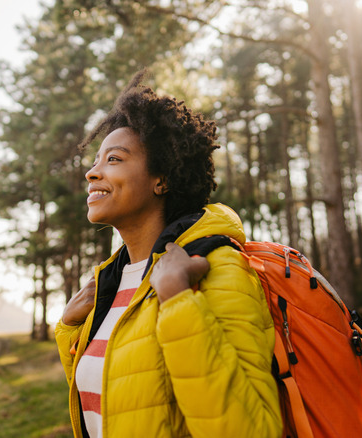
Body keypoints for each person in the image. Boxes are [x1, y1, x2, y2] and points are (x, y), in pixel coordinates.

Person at [54, 70, 282, 438]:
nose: (91, 173)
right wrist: (69, 330)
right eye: (95, 161)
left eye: (113, 159)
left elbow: (250, 429)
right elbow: (118, 403)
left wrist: (177, 300)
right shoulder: (108, 284)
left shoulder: (212, 266)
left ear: (161, 178)